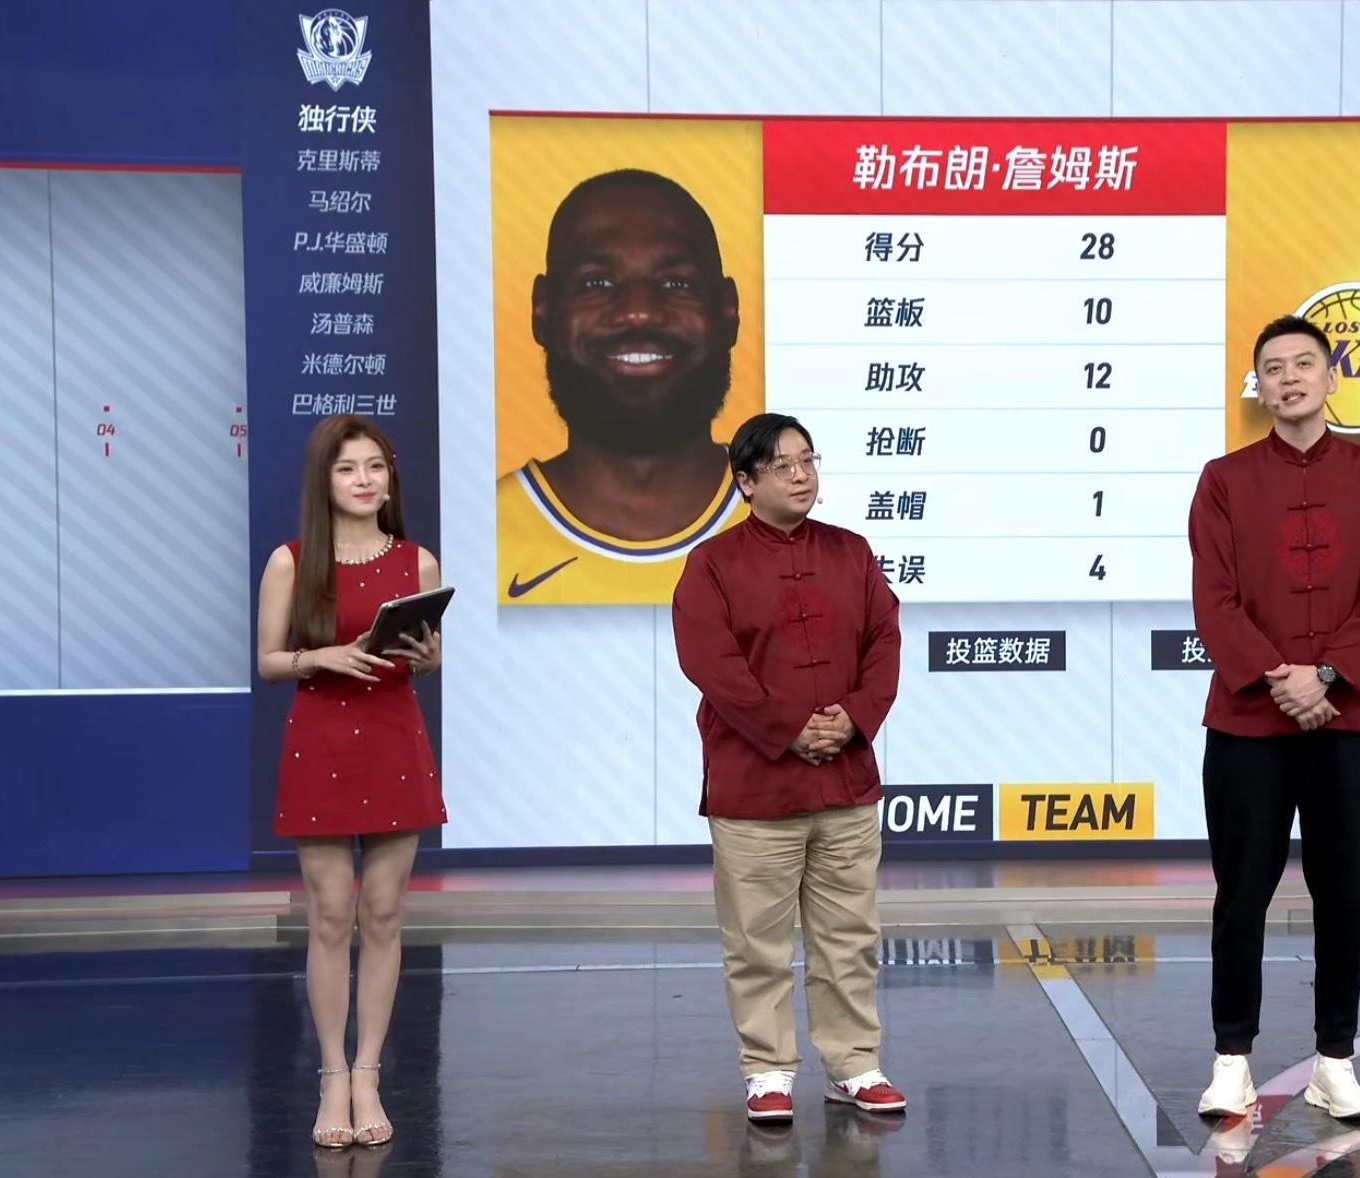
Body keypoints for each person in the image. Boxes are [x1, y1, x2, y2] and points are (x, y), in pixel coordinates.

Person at [1187, 315, 1360, 1122]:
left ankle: (1335, 1062)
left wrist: (1325, 676)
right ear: (1258, 387)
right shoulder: (1223, 480)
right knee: (1239, 894)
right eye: (1273, 368)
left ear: (1330, 378)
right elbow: (1213, 597)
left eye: (1303, 364)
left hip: (1352, 714)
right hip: (1249, 720)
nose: (1288, 378)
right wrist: (1278, 677)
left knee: (1344, 894)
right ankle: (1231, 1060)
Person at [671, 412, 907, 1124]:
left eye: (808, 460)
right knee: (756, 943)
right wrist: (789, 728)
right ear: (746, 482)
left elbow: (884, 643)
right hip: (755, 787)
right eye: (782, 465)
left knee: (849, 937)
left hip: (845, 781)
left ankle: (854, 1065)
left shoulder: (851, 551)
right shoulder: (712, 564)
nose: (801, 475)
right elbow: (709, 663)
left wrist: (853, 717)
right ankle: (767, 1069)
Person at [256, 414, 447, 1148]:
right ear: (324, 481)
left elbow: (425, 655)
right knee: (332, 916)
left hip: (394, 738)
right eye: (347, 469)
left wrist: (429, 659)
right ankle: (332, 1076)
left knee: (385, 915)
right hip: (322, 740)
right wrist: (321, 657)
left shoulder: (417, 561)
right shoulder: (291, 561)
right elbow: (269, 661)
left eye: (375, 467)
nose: (365, 480)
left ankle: (369, 1073)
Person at [498, 168, 753, 605]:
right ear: (542, 311)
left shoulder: (807, 530)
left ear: (729, 311)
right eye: (596, 282)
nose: (639, 312)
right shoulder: (475, 540)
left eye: (677, 283)